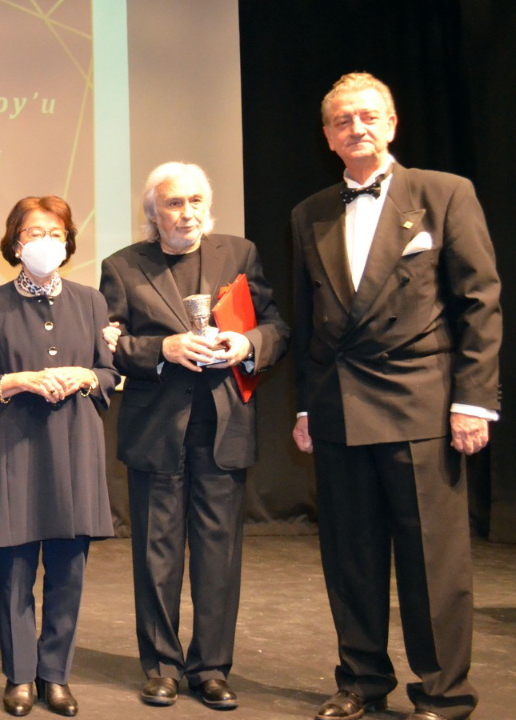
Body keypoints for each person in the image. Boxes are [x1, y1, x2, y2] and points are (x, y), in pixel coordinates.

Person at [291, 73, 500, 720]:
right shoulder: (310, 212)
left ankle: (443, 691)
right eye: (343, 120)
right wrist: (303, 406)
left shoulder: (442, 193)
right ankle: (359, 682)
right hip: (339, 408)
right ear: (328, 136)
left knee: (431, 564)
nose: (357, 127)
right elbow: (309, 320)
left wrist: (474, 400)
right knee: (350, 561)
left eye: (369, 115)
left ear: (392, 123)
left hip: (422, 406)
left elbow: (480, 301)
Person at [99, 162, 288, 711]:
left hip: (223, 423)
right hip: (156, 427)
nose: (187, 213)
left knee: (218, 555)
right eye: (174, 204)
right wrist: (163, 351)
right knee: (157, 555)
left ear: (209, 206)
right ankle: (161, 667)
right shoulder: (122, 266)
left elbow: (275, 326)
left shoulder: (240, 254)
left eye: (196, 201)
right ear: (152, 214)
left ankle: (211, 667)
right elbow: (107, 345)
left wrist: (245, 344)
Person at [0, 196, 118, 717]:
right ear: (15, 242)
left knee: (68, 569)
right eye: (33, 233)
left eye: (55, 232)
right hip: (15, 449)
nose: (44, 242)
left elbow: (110, 373)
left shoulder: (91, 301)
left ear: (68, 241)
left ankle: (55, 675)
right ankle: (20, 676)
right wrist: (17, 381)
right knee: (15, 571)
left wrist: (87, 376)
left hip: (75, 447)